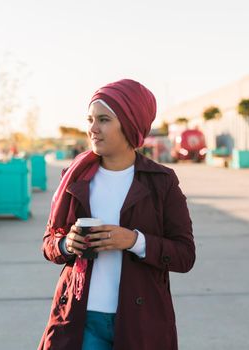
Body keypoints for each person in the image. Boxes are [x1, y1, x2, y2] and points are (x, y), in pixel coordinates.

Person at [38, 79, 195, 350]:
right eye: (90, 119)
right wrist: (67, 243)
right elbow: (49, 244)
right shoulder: (75, 179)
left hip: (142, 323)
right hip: (79, 318)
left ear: (130, 124)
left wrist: (134, 241)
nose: (92, 129)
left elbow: (184, 255)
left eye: (103, 120)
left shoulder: (162, 182)